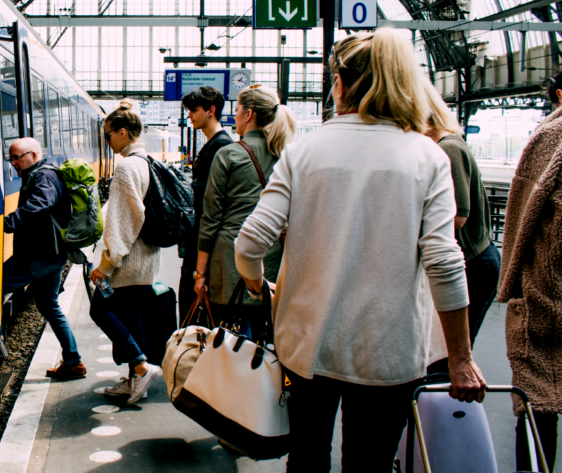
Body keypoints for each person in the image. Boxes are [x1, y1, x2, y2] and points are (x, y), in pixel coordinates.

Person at [233, 29, 486, 472]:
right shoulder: (427, 158)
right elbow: (444, 262)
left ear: (341, 84)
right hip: (387, 352)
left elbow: (251, 241)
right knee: (369, 463)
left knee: (307, 456)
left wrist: (259, 285)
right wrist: (460, 358)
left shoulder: (304, 151)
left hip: (308, 343)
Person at [497, 72, 561, 473]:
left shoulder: (551, 136)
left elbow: (524, 217)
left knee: (539, 408)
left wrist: (518, 288)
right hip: (548, 294)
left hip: (547, 297)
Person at [194, 84, 296, 334]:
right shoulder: (287, 156)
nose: (235, 115)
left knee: (232, 345)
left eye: (237, 109)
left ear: (249, 114)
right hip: (271, 263)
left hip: (229, 266)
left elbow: (211, 219)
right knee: (266, 342)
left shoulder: (228, 155)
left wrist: (199, 273)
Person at [88, 100, 163, 404]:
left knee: (100, 310)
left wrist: (105, 267)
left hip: (127, 262)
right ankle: (136, 379)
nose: (107, 143)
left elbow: (123, 224)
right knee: (133, 319)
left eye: (108, 136)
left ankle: (141, 368)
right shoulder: (148, 162)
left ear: (122, 132)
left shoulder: (126, 168)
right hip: (146, 257)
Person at [2, 137, 85, 379]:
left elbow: (41, 204)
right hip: (52, 254)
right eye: (11, 158)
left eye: (18, 157)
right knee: (50, 307)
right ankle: (73, 362)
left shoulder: (42, 177)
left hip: (39, 255)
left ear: (34, 156)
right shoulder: (39, 174)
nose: (14, 163)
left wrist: (8, 223)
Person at [423, 86, 500, 345]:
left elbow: (456, 217)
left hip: (474, 264)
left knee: (453, 347)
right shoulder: (450, 143)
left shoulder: (449, 149)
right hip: (477, 259)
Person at [178, 86, 233, 318]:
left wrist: (201, 271)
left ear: (211, 110)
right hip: (201, 245)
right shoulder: (212, 146)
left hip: (204, 249)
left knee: (194, 318)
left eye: (194, 109)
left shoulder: (219, 148)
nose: (189, 115)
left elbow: (211, 211)